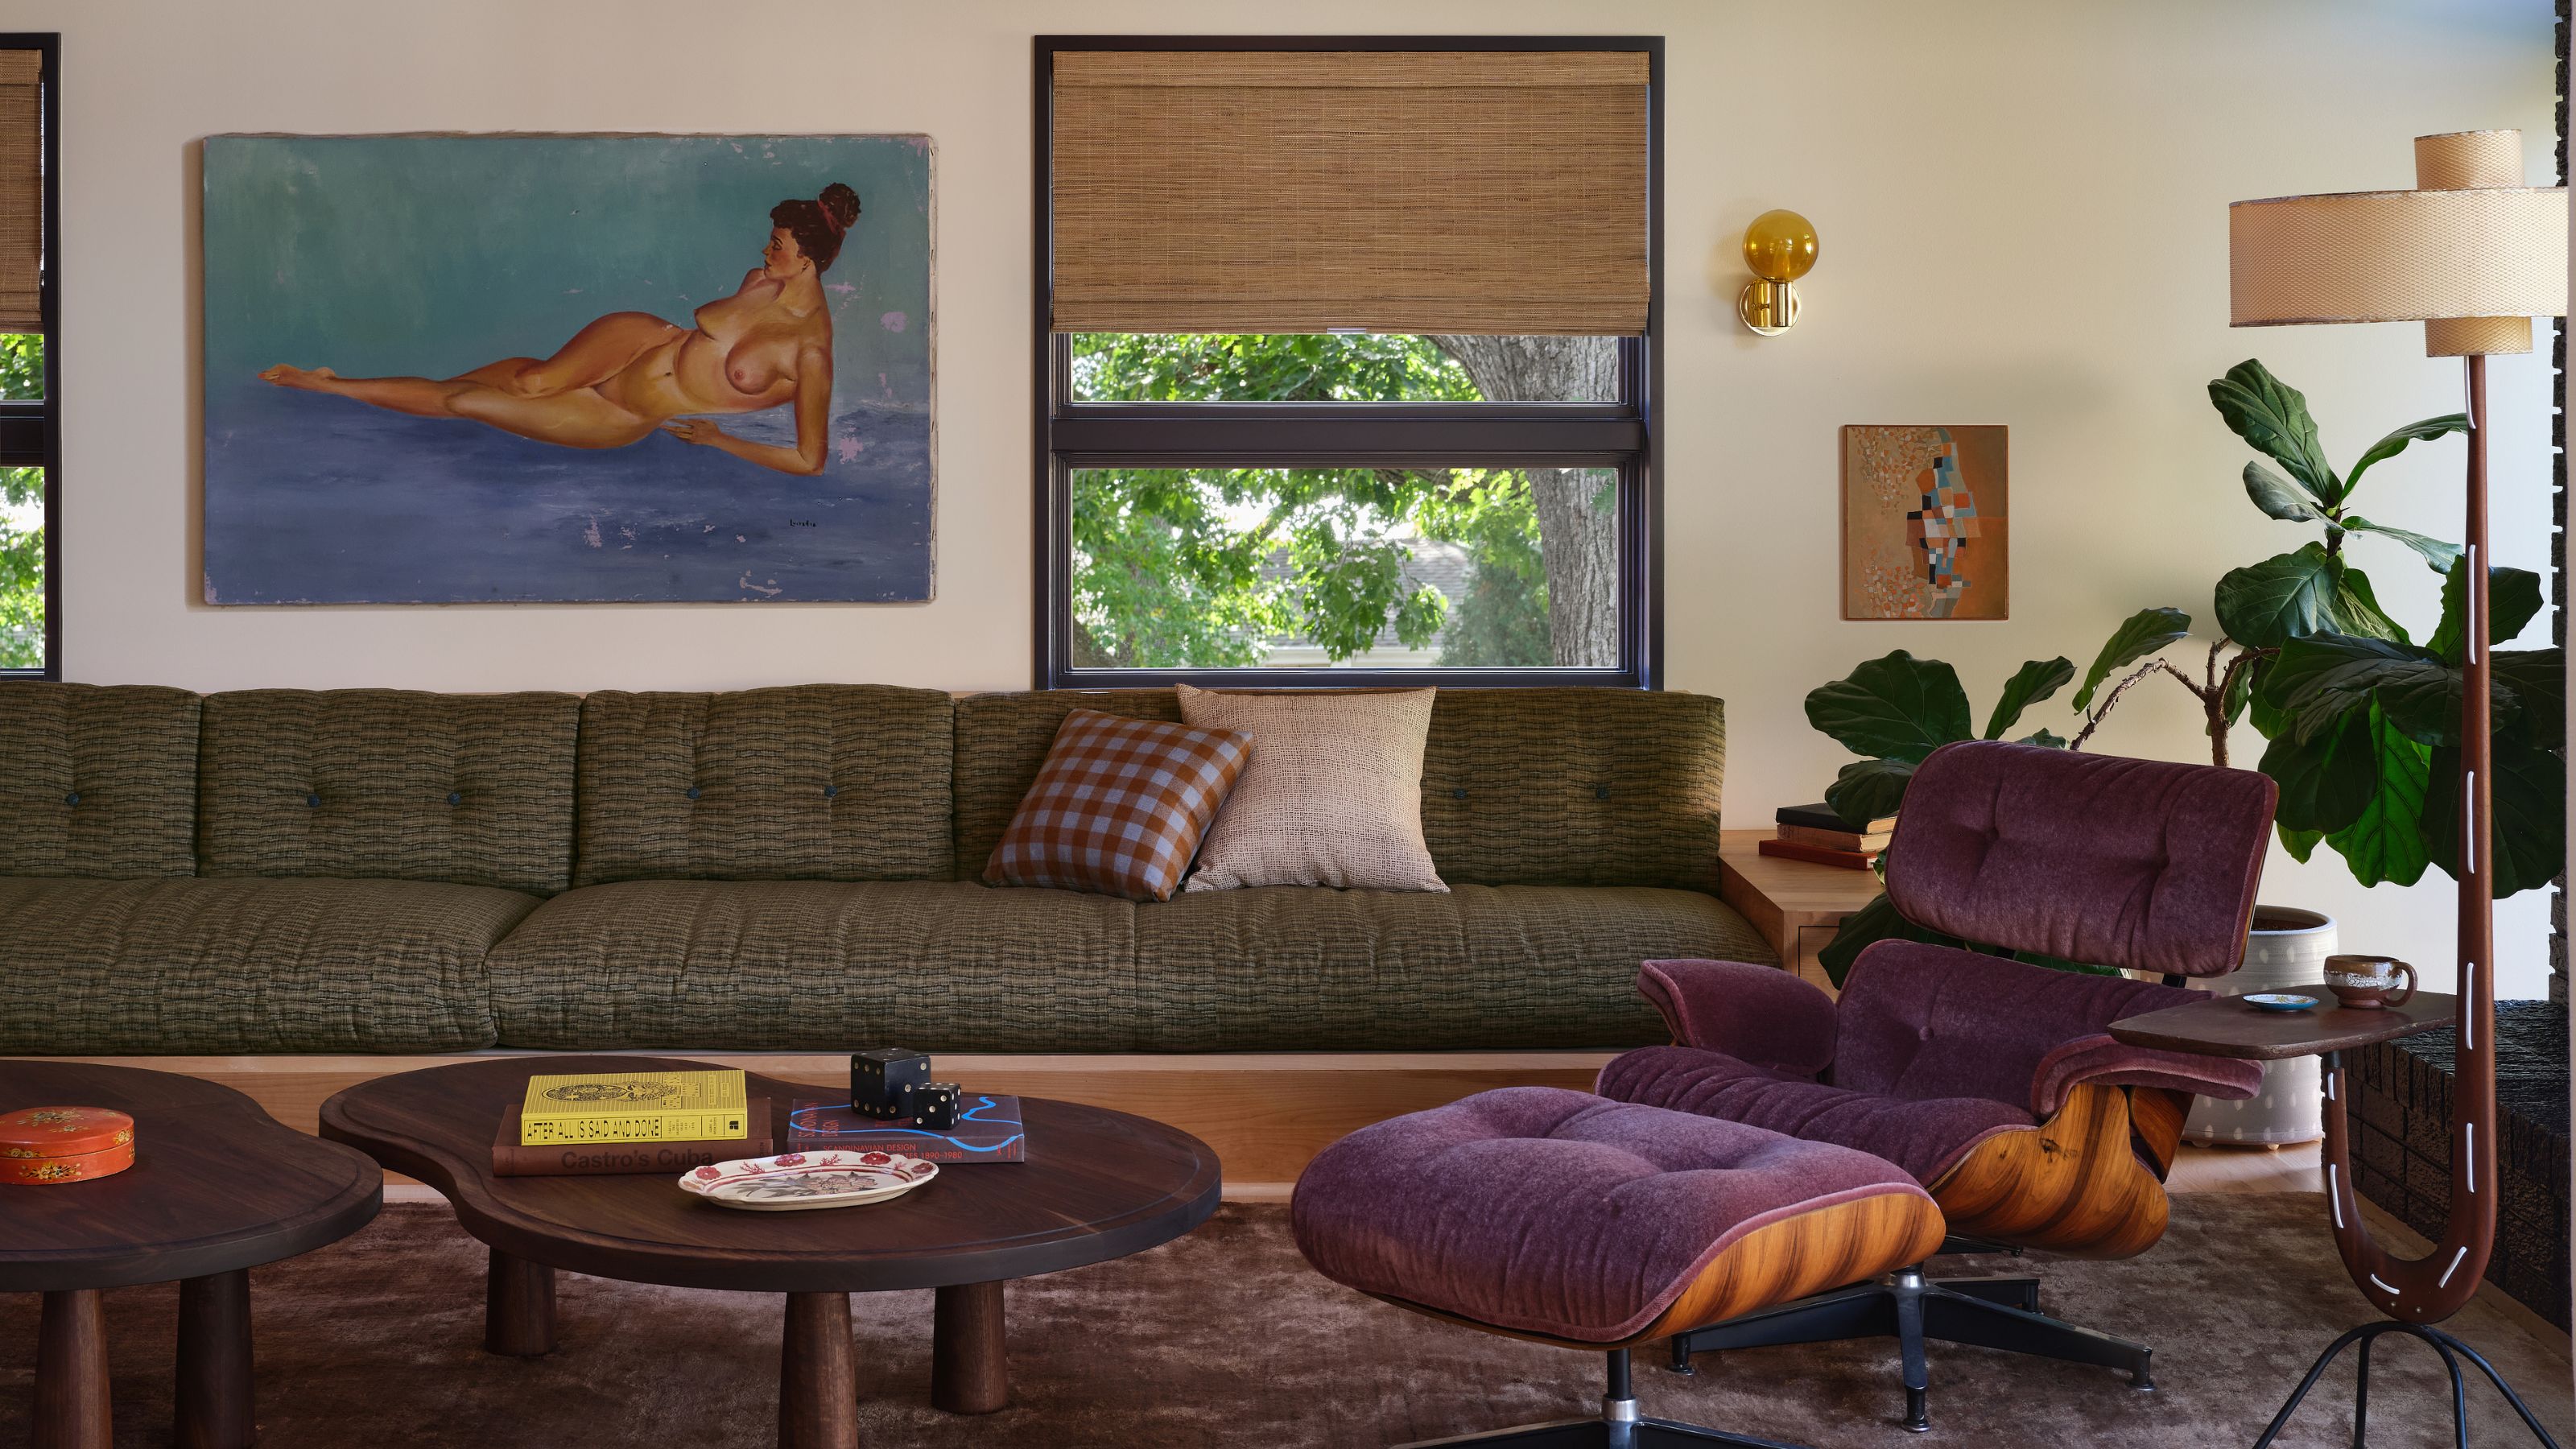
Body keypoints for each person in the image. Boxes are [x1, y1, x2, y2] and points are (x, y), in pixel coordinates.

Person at [259, 183, 859, 477]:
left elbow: (811, 461)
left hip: (629, 413)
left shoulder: (809, 355)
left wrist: (718, 440)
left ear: (808, 258)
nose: (765, 249)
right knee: (522, 382)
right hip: (639, 339)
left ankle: (333, 382)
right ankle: (329, 385)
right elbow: (709, 334)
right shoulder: (763, 279)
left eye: (777, 244)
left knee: (469, 400)